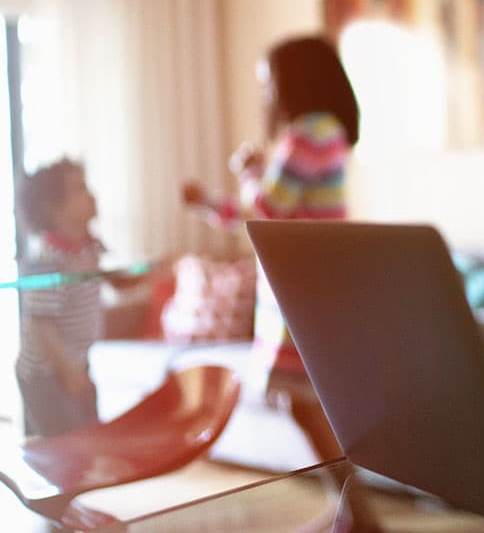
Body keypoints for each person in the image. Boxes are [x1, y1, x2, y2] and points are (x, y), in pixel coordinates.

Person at [181, 34, 376, 531]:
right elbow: (262, 215)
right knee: (303, 401)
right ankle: (353, 507)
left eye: (269, 82)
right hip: (299, 284)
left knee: (304, 401)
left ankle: (359, 510)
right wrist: (208, 201)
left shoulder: (310, 132)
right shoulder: (316, 132)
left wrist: (249, 171)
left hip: (306, 287)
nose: (265, 93)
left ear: (295, 82)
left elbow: (266, 209)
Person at [15, 158, 157, 436]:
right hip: (46, 374)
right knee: (66, 444)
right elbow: (39, 326)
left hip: (77, 362)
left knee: (90, 437)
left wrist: (152, 271)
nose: (90, 194)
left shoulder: (86, 248)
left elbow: (115, 283)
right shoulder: (50, 258)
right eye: (78, 189)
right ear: (52, 207)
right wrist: (70, 374)